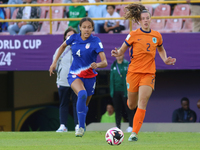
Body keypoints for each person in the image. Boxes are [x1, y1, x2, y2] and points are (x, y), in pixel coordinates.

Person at [111, 4, 176, 141]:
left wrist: (165, 59)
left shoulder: (156, 35)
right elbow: (122, 50)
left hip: (149, 73)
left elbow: (161, 49)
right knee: (132, 105)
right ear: (139, 21)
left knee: (143, 101)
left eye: (148, 18)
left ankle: (134, 133)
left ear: (150, 19)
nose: (146, 20)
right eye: (143, 18)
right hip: (133, 73)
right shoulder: (133, 34)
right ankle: (130, 103)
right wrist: (117, 52)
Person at [49, 17, 108, 137]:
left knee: (84, 106)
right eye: (84, 27)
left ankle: (81, 121)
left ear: (92, 28)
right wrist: (54, 62)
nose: (87, 30)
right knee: (82, 94)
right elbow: (62, 46)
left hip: (90, 77)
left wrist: (97, 64)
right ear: (80, 28)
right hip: (74, 75)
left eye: (89, 27)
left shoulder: (96, 41)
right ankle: (80, 127)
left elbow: (105, 62)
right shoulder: (73, 38)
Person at [52, 27, 78, 132]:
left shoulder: (80, 48)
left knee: (77, 104)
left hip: (76, 81)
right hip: (63, 81)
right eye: (68, 35)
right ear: (65, 37)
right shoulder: (60, 49)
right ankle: (63, 126)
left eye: (72, 35)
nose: (70, 37)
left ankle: (77, 125)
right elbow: (55, 64)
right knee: (63, 103)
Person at [110, 53, 135, 132]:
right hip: (116, 91)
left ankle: (131, 126)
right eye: (117, 55)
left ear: (123, 55)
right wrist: (111, 91)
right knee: (117, 110)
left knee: (129, 108)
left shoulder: (127, 64)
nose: (119, 56)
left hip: (126, 90)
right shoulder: (113, 65)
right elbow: (111, 79)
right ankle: (118, 127)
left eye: (120, 54)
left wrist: (129, 90)